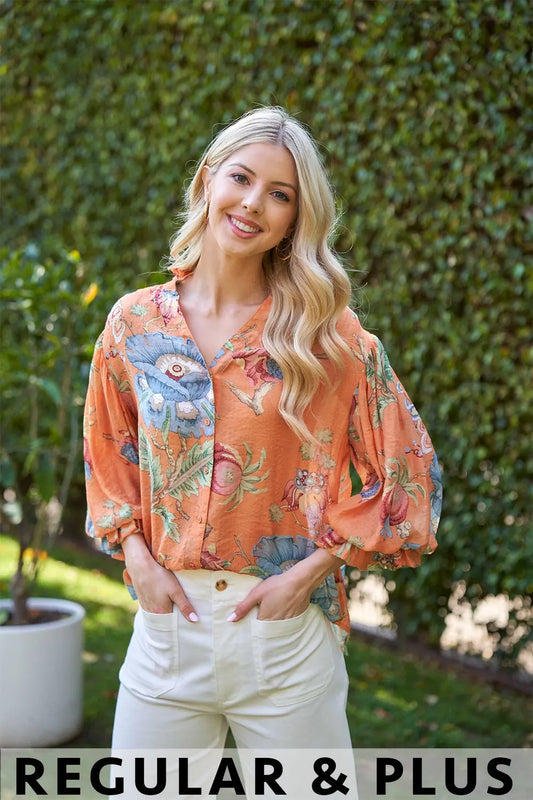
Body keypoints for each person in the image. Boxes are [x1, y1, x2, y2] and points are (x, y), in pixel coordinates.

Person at [84, 107, 442, 764]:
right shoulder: (133, 323)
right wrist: (136, 557)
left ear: (294, 219)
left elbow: (410, 475)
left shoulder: (327, 338)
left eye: (280, 194)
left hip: (281, 634)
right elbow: (108, 453)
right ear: (207, 181)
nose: (253, 203)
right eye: (242, 178)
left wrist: (308, 574)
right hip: (167, 627)